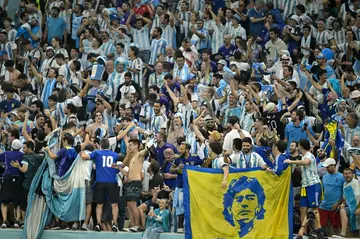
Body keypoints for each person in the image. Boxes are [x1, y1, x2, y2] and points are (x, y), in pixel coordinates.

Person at [80, 138, 120, 232]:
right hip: (112, 181)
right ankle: (115, 224)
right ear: (109, 145)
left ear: (100, 145)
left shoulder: (97, 153)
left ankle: (98, 224)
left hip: (100, 181)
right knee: (114, 205)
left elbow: (85, 157)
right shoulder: (114, 154)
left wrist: (81, 152)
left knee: (99, 204)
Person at [285, 139, 322, 235]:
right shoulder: (302, 156)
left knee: (314, 208)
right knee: (303, 208)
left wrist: (291, 161)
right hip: (304, 186)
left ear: (301, 146)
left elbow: (306, 163)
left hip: (313, 184)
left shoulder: (309, 156)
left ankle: (319, 229)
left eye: (298, 146)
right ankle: (304, 231)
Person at [170, 142, 203, 233]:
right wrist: (177, 169)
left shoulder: (194, 157)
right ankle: (180, 226)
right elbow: (171, 170)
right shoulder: (177, 159)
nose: (179, 151)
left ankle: (192, 225)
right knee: (181, 205)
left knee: (192, 205)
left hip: (192, 186)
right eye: (179, 149)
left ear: (187, 150)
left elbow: (204, 164)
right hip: (181, 185)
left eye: (181, 149)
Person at [10, 141, 43, 223]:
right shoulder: (39, 157)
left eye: (24, 148)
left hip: (27, 184)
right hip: (37, 184)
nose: (23, 150)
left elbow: (24, 170)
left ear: (30, 148)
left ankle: (25, 221)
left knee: (23, 204)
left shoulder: (26, 158)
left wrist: (18, 166)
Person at [0, 139, 24, 228]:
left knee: (4, 201)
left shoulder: (6, 154)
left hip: (7, 178)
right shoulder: (23, 155)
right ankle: (17, 221)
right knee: (17, 203)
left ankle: (4, 221)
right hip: (18, 179)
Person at [318, 158, 344, 236]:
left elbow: (344, 193)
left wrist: (337, 204)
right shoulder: (324, 177)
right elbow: (322, 191)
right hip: (323, 206)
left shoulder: (342, 177)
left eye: (328, 167)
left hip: (335, 206)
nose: (326, 168)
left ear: (333, 165)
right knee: (321, 226)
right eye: (326, 167)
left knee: (336, 227)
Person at [338, 168, 360, 237]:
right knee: (342, 211)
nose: (348, 175)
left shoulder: (357, 182)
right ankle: (343, 233)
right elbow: (345, 199)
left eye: (349, 173)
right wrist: (342, 204)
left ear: (352, 174)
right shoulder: (344, 184)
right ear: (343, 175)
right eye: (346, 173)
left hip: (358, 207)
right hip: (351, 208)